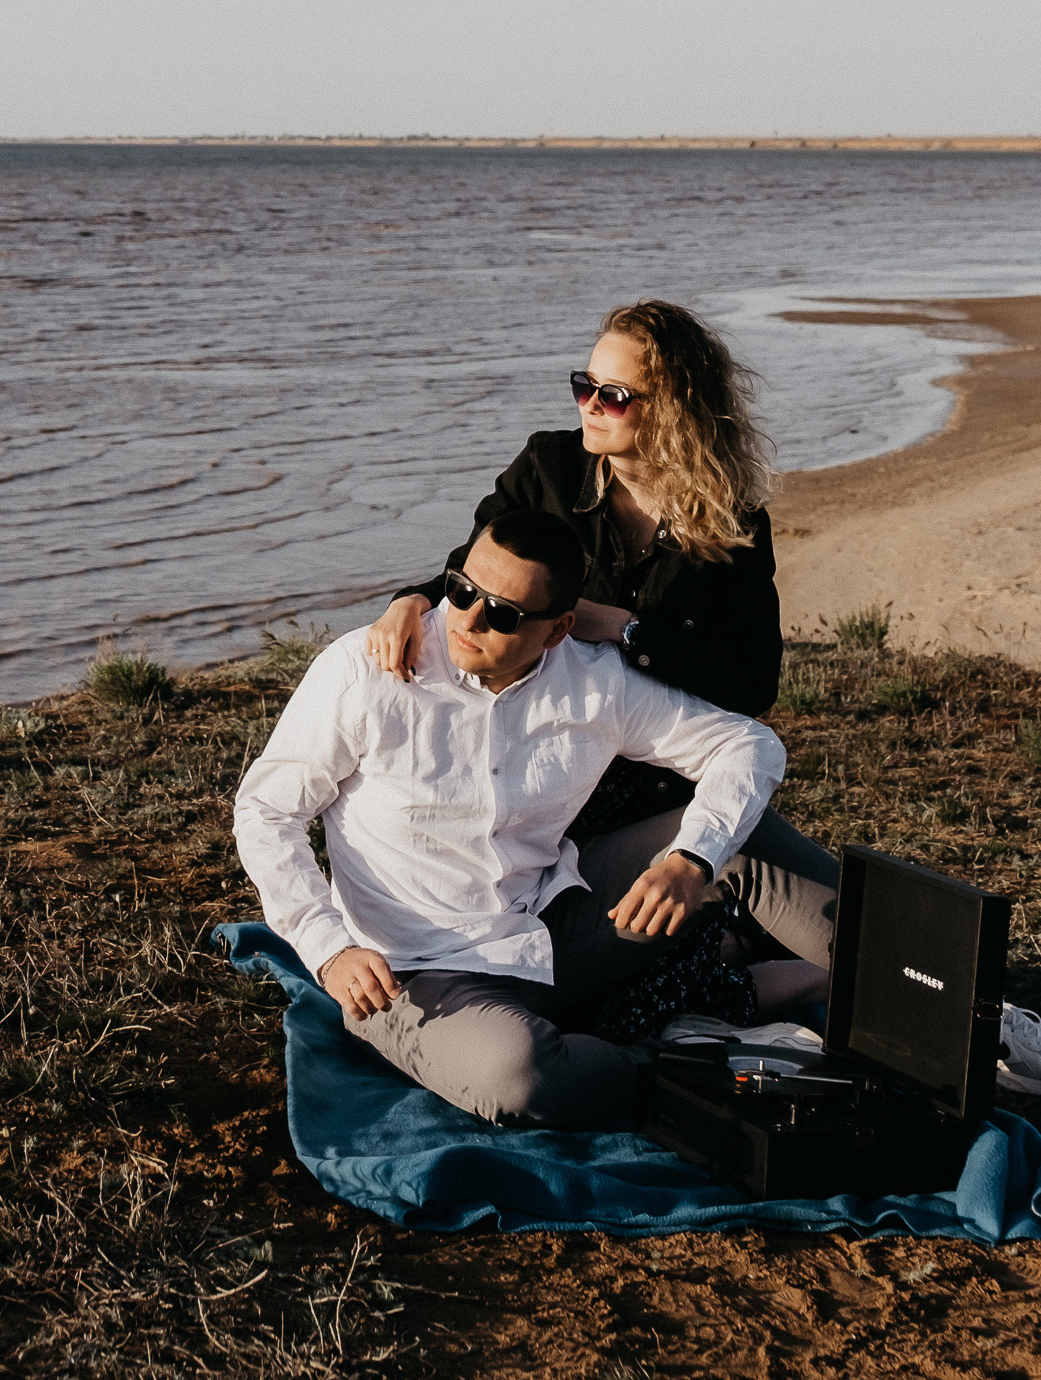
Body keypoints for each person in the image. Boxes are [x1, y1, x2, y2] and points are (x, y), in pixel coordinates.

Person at [232, 502, 787, 1129]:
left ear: (557, 630)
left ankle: (898, 998)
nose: (467, 619)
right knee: (519, 1077)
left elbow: (750, 746)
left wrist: (691, 860)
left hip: (552, 928)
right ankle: (684, 1069)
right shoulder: (365, 671)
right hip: (408, 970)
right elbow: (266, 812)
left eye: (502, 614)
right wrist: (328, 949)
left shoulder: (594, 682)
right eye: (462, 591)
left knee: (744, 843)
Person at [365, 297, 837, 1005]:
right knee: (652, 987)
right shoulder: (548, 469)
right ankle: (783, 959)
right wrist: (409, 599)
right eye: (582, 386)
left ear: (673, 408)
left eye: (612, 395)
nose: (589, 405)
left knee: (755, 856)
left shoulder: (731, 521)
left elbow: (751, 682)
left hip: (660, 779)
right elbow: (473, 573)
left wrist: (627, 629)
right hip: (549, 783)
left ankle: (958, 1006)